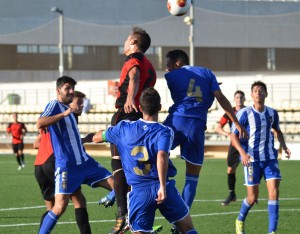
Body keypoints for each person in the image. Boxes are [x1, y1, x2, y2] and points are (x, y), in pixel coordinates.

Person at [90, 87, 198, 234]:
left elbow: (97, 138)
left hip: (139, 191)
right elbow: (161, 155)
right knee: (188, 229)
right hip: (163, 186)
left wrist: (90, 138)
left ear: (140, 107)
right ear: (160, 108)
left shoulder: (124, 128)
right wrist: (162, 188)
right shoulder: (164, 131)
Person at [162, 49, 248, 233]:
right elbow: (221, 98)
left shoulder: (171, 76)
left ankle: (131, 197)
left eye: (168, 64)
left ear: (177, 63)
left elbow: (183, 92)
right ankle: (180, 222)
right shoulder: (208, 73)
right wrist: (236, 123)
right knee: (192, 178)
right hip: (197, 126)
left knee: (151, 153)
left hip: (176, 122)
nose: (166, 69)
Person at [37, 76, 114, 234]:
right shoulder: (55, 105)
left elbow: (74, 138)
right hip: (67, 167)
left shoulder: (71, 113)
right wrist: (63, 114)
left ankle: (128, 222)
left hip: (85, 163)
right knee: (59, 208)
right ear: (58, 91)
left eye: (72, 88)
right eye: (67, 88)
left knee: (119, 184)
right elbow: (40, 123)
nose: (71, 91)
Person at [109, 26, 156, 234]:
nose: (125, 42)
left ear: (134, 44)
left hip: (125, 115)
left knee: (117, 165)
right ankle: (138, 215)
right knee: (136, 168)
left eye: (128, 39)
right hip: (140, 117)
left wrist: (129, 98)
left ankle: (122, 216)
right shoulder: (151, 66)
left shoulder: (133, 59)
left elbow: (135, 76)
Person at [231, 81, 291, 234]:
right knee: (252, 198)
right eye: (255, 90)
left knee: (274, 192)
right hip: (252, 161)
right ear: (252, 95)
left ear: (266, 94)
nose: (258, 92)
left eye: (261, 90)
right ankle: (240, 220)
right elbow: (233, 136)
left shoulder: (272, 113)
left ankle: (272, 231)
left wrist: (283, 146)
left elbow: (277, 130)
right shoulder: (244, 113)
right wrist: (243, 154)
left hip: (270, 158)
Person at [215, 90, 246, 206]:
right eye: (237, 97)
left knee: (251, 168)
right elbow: (218, 128)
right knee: (230, 169)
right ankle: (232, 194)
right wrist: (228, 135)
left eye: (241, 97)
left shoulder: (248, 111)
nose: (239, 99)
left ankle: (253, 194)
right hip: (235, 144)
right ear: (234, 99)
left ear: (244, 99)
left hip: (247, 144)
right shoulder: (229, 112)